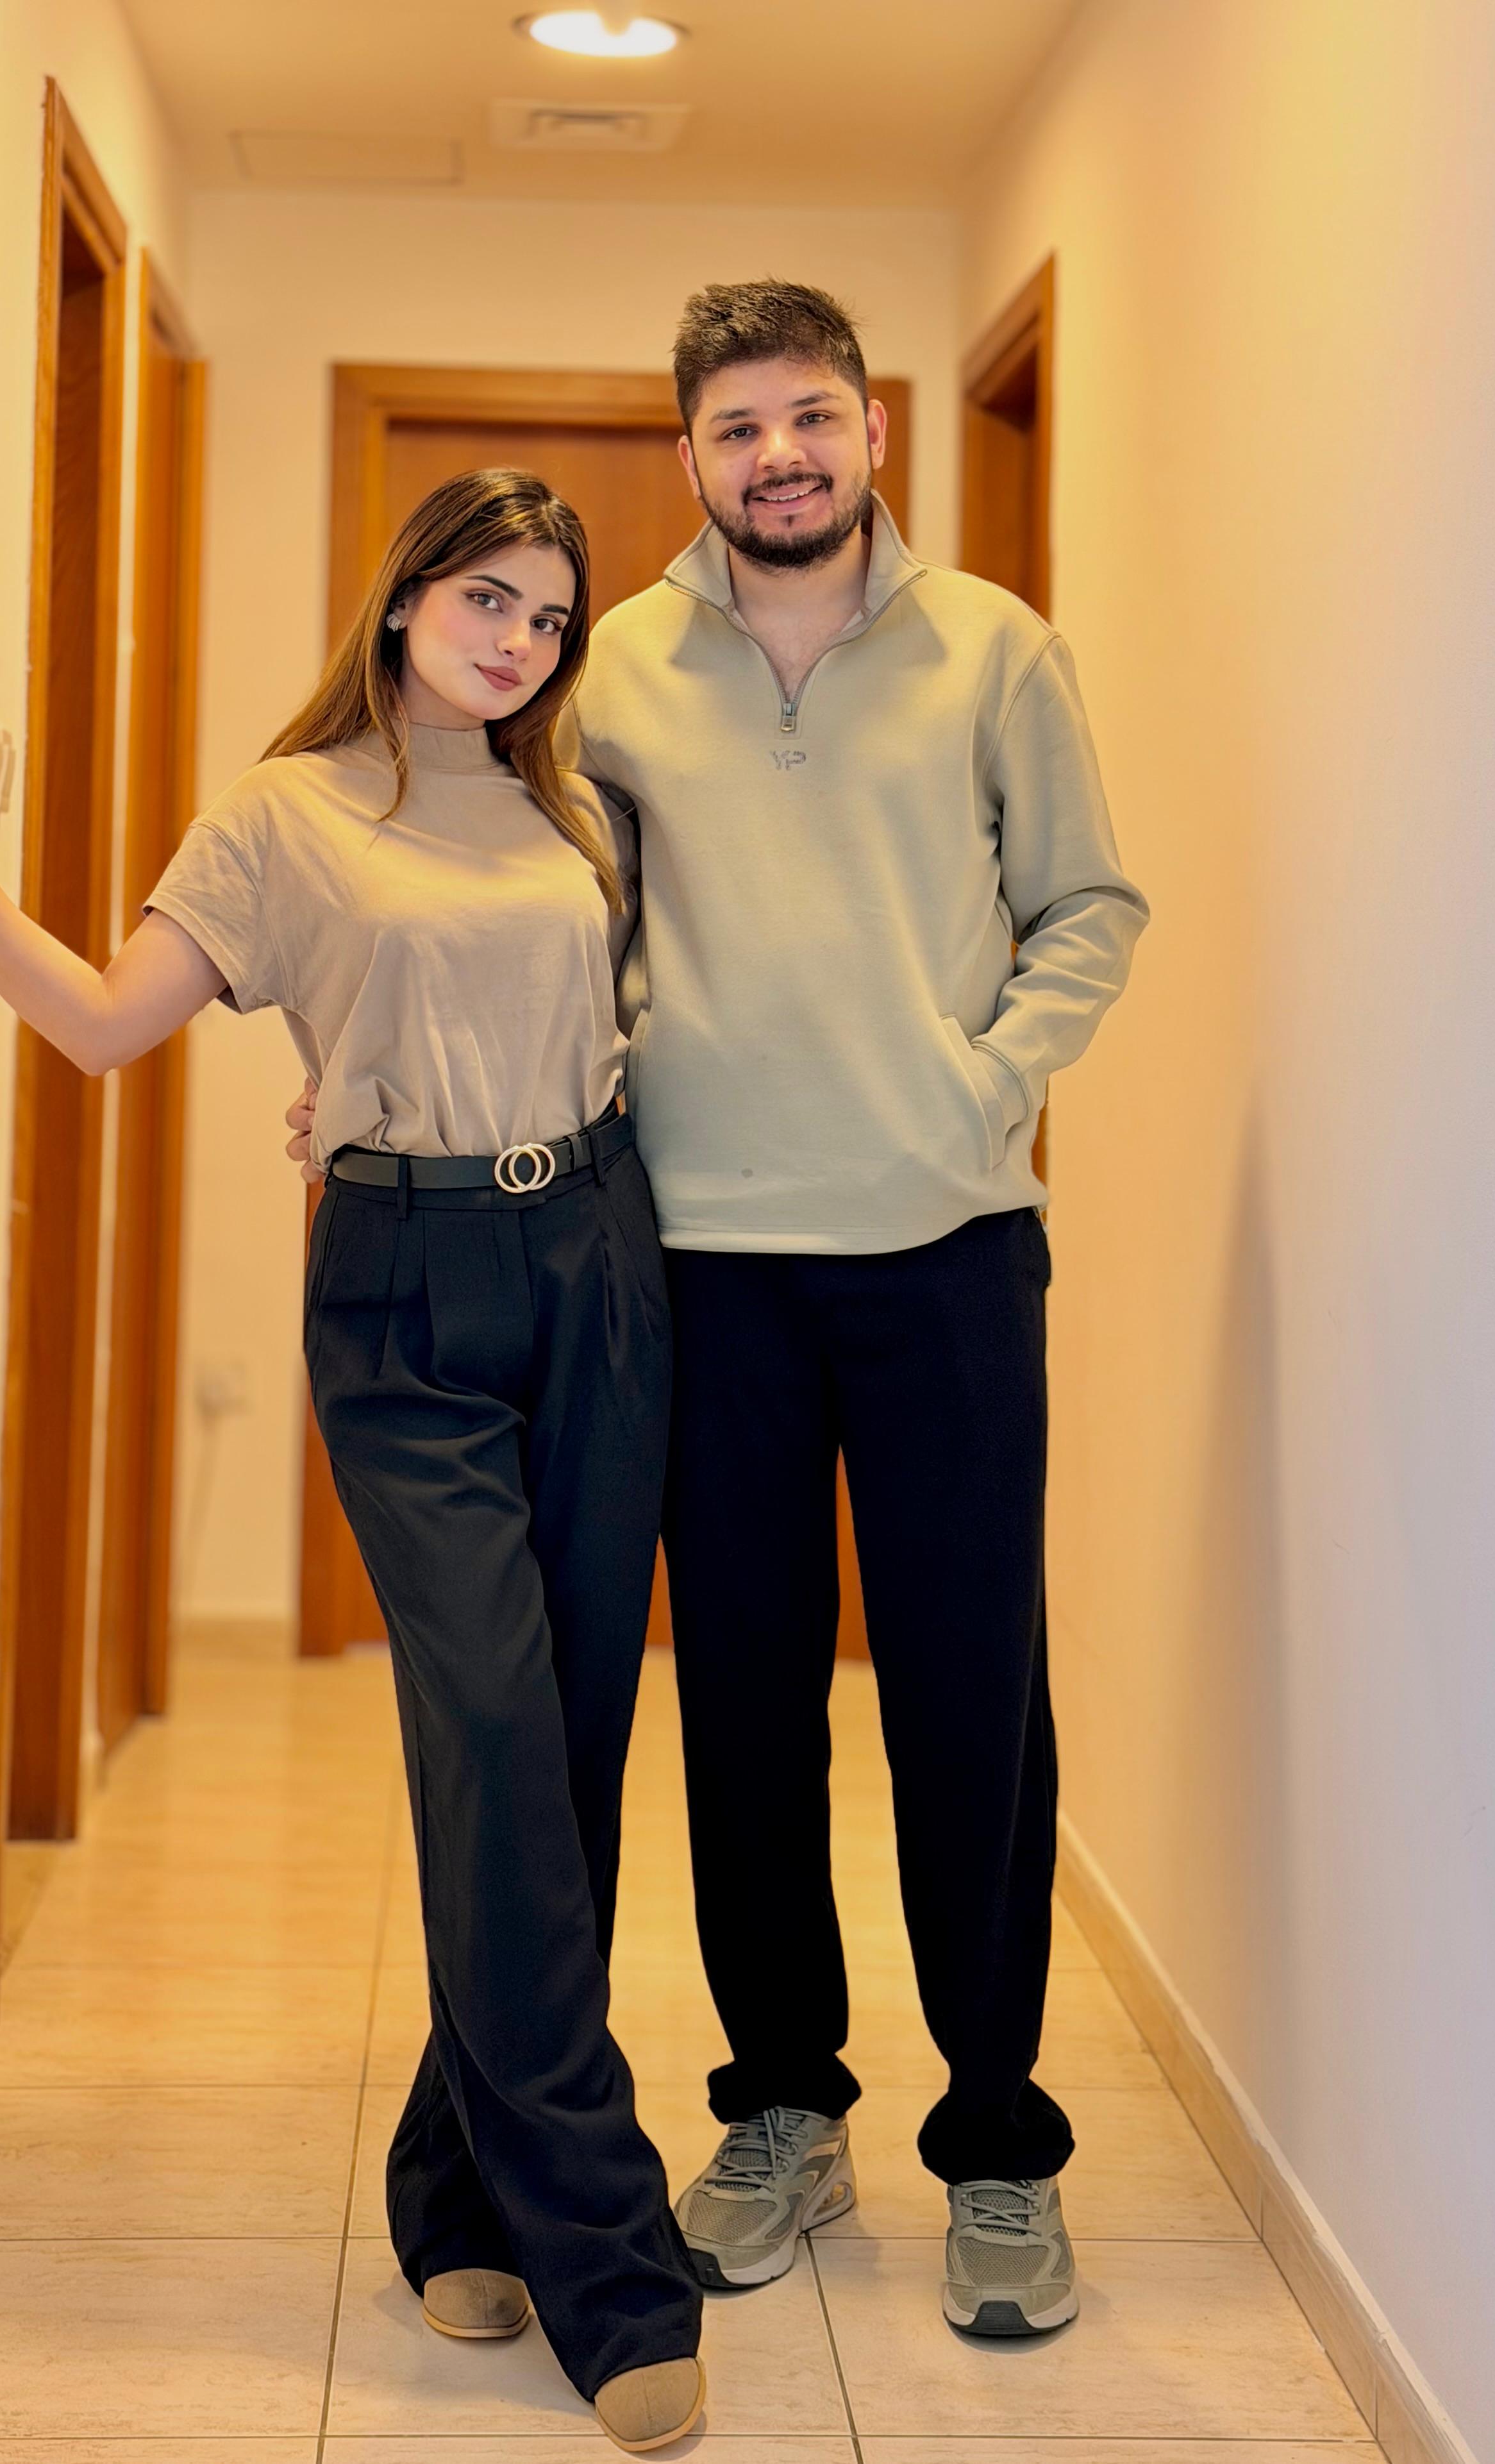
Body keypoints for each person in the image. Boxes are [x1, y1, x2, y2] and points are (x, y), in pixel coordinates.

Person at [294, 282, 1146, 2333]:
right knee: (744, 1709)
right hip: (690, 1268)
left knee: (971, 1705)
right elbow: (478, 881)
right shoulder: (615, 669)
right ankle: (778, 2106)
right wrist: (362, 1054)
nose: (779, 456)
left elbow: (1091, 906)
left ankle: (1001, 2138)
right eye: (737, 427)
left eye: (810, 418)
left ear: (868, 431)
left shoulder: (994, 646)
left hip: (944, 1253)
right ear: (687, 456)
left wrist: (977, 1080)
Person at [0, 469, 706, 2454]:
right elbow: (102, 1025)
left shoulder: (581, 809)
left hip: (599, 1252)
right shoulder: (285, 812)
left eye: (548, 615)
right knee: (496, 1730)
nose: (516, 640)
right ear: (407, 593)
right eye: (484, 598)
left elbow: (615, 1038)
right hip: (406, 1293)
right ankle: (608, 2256)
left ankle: (455, 2183)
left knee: (565, 1752)